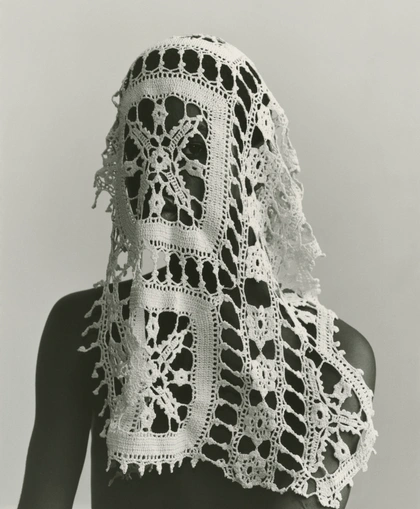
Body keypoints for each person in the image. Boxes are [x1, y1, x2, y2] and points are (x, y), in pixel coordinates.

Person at [17, 34, 377, 509]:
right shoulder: (86, 332)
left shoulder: (335, 361)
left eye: (186, 150)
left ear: (245, 164)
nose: (156, 174)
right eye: (138, 147)